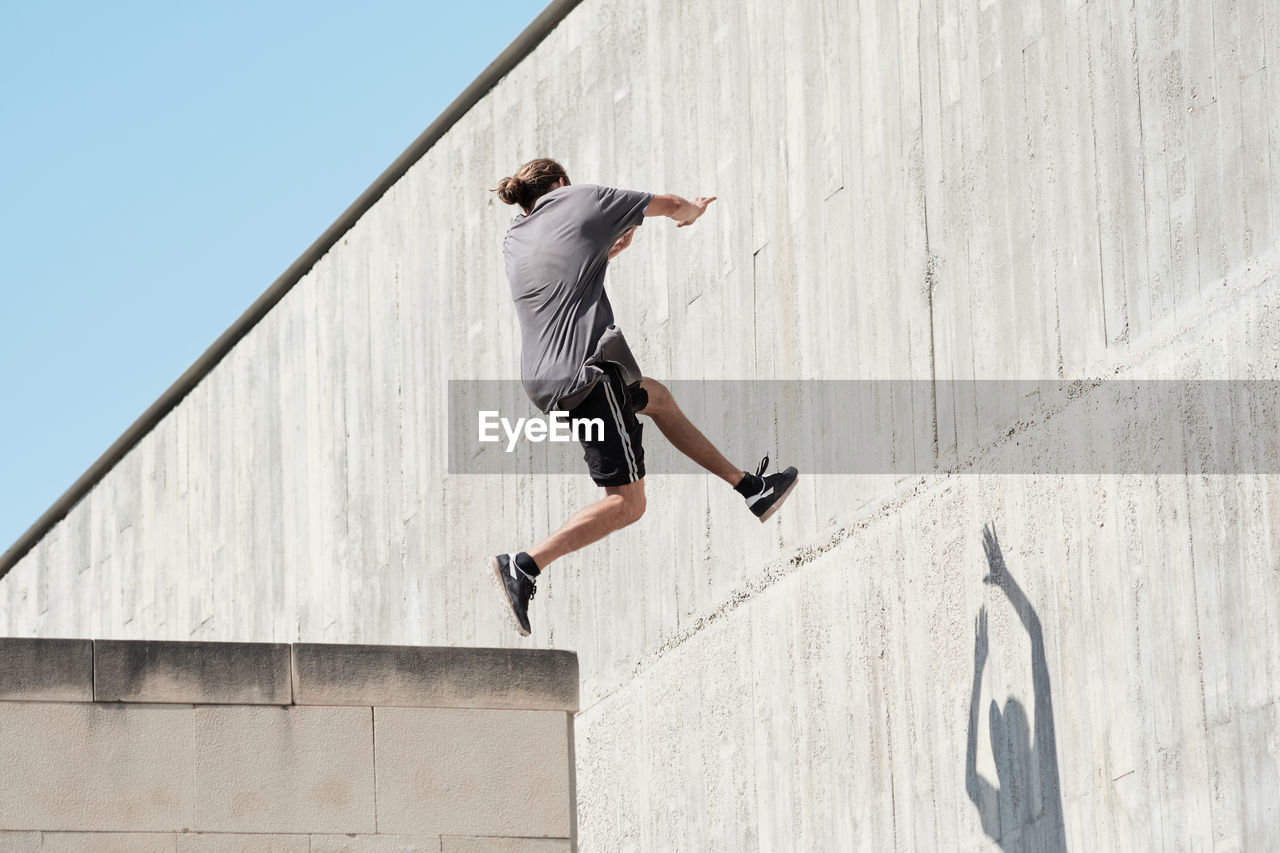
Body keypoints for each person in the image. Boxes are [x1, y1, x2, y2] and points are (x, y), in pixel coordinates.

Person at [487, 157, 799, 636]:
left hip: (543, 381)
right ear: (561, 183)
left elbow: (560, 274)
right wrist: (691, 211)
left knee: (655, 397)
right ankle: (526, 564)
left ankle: (751, 490)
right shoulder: (583, 198)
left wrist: (605, 253)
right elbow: (672, 206)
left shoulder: (515, 237)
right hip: (585, 375)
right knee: (628, 504)